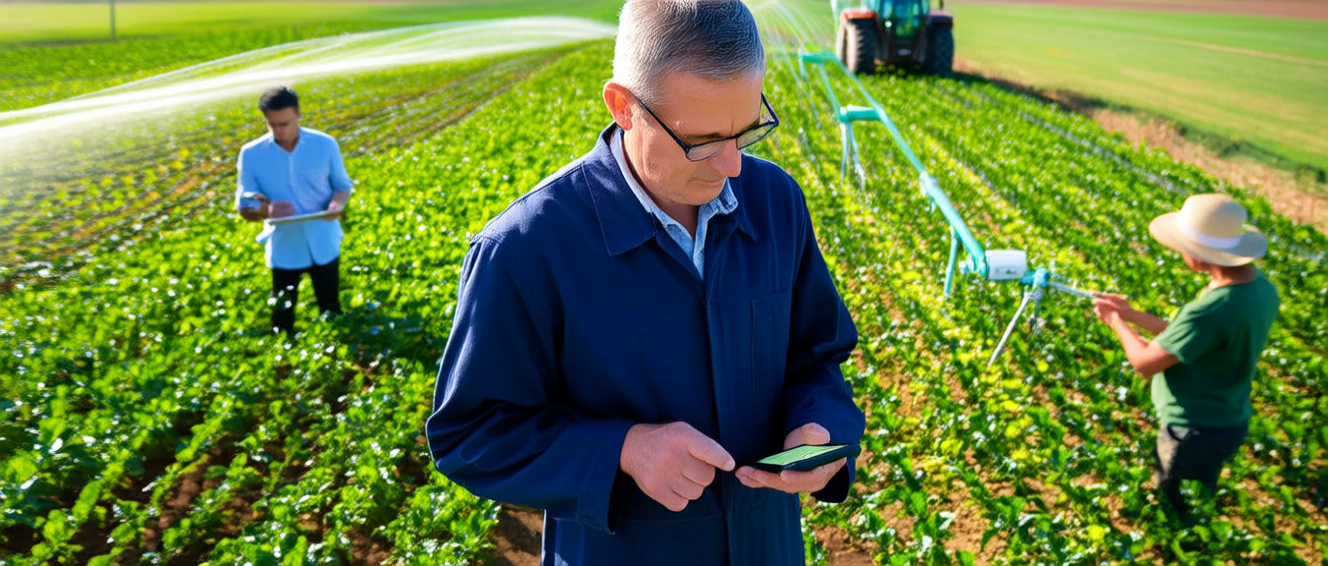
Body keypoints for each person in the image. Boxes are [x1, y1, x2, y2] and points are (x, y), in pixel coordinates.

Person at [424, 1, 866, 564]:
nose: (732, 165)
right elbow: (471, 433)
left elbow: (817, 357)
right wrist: (624, 450)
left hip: (768, 548)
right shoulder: (527, 248)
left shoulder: (776, 202)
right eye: (703, 140)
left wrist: (821, 426)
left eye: (747, 130)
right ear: (624, 107)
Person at [1092, 193, 1279, 514]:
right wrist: (1132, 314)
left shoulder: (1212, 308)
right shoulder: (1259, 289)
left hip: (1192, 428)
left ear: (1199, 254)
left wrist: (1115, 321)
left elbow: (1144, 363)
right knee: (1196, 499)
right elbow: (1190, 336)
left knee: (1174, 512)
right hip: (1226, 419)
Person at [235, 86, 353, 338]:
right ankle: (283, 353)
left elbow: (342, 186)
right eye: (272, 125)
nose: (280, 131)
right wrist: (266, 209)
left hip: (324, 240)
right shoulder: (252, 154)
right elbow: (244, 206)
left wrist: (337, 205)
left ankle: (337, 351)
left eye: (285, 124)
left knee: (331, 309)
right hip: (284, 247)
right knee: (281, 317)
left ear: (298, 114)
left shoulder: (324, 145)